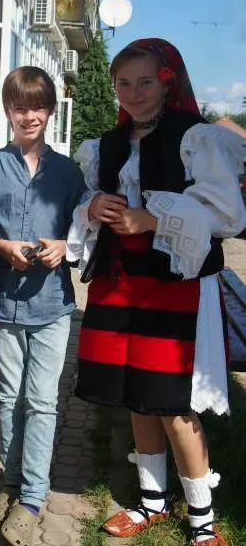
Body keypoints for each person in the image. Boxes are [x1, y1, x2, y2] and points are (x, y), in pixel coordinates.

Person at [67, 38, 246, 545]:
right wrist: (95, 204)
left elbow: (228, 216)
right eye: (124, 83)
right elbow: (86, 198)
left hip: (176, 288)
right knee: (135, 396)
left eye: (145, 81)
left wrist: (153, 216)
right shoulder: (107, 144)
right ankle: (151, 502)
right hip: (120, 284)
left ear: (167, 82)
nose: (133, 93)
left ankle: (204, 521)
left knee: (173, 401)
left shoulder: (196, 138)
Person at [0, 66, 85, 546]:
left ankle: (32, 496)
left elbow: (87, 229)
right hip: (4, 302)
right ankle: (10, 480)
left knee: (42, 401)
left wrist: (64, 246)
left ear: (49, 110)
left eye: (37, 106)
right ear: (7, 109)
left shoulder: (68, 172)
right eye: (19, 106)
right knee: (8, 397)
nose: (29, 116)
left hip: (52, 305)